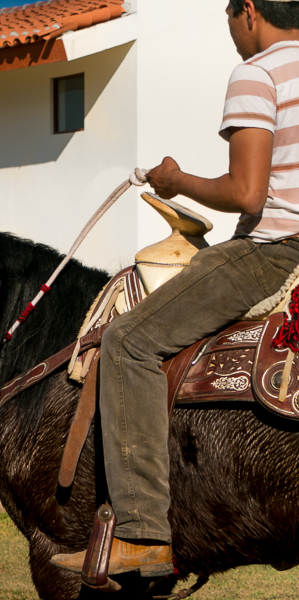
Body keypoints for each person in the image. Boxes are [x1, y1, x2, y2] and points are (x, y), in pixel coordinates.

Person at [52, 0, 299, 577]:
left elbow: (246, 195)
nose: (234, 36)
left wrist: (175, 179)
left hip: (272, 252)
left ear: (250, 11)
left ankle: (141, 535)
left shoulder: (257, 72)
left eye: (231, 21)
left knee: (129, 342)